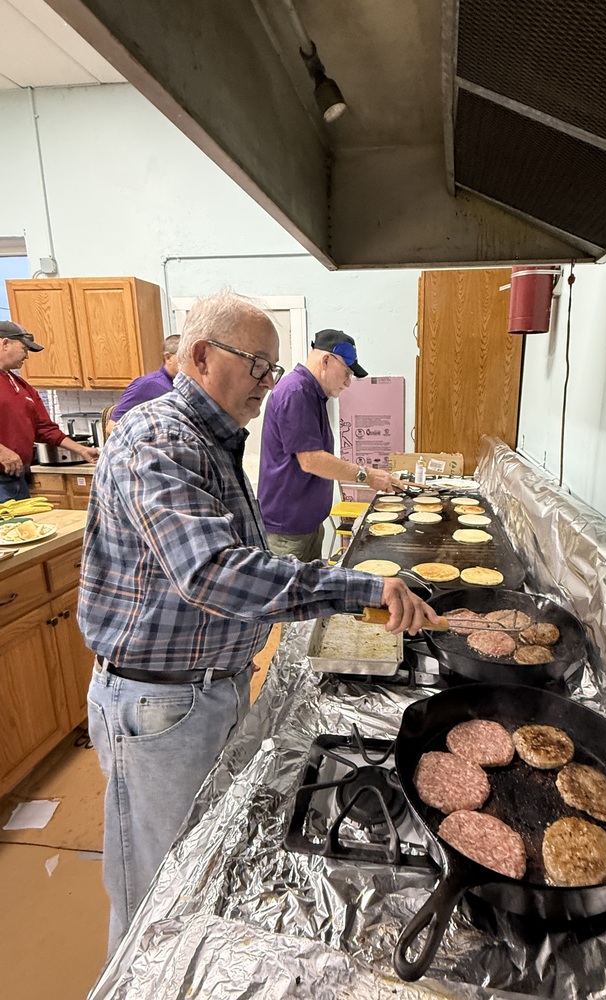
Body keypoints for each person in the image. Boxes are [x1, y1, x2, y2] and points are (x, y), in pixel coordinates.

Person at [78, 291, 439, 952]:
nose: (269, 383)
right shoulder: (160, 437)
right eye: (257, 366)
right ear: (201, 355)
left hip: (205, 688)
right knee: (153, 895)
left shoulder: (212, 438)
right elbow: (214, 572)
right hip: (160, 700)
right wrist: (358, 589)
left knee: (195, 867)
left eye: (273, 368)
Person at [258, 329, 397, 561]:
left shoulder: (313, 395)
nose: (348, 382)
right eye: (346, 372)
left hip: (307, 525)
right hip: (288, 532)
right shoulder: (296, 392)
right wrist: (367, 476)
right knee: (291, 597)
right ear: (326, 360)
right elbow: (312, 460)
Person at [0, 322, 99, 502]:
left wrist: (82, 450)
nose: (27, 356)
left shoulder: (21, 386)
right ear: (5, 343)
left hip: (17, 478)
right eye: (24, 349)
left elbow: (44, 428)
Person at [105, 334, 180, 433]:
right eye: (183, 356)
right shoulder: (146, 384)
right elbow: (112, 427)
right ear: (168, 358)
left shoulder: (184, 385)